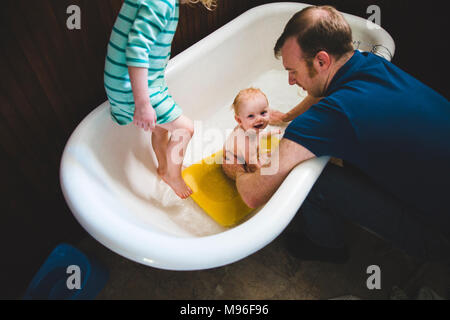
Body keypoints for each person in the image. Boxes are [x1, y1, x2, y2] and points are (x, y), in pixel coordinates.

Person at [223, 5, 450, 263]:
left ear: (321, 61)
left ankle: (325, 246)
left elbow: (254, 194)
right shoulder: (370, 63)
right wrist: (286, 117)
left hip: (440, 234)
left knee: (305, 176)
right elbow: (321, 92)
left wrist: (237, 171)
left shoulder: (328, 118)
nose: (290, 81)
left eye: (293, 71)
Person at [104, 0, 216, 199]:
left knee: (161, 127)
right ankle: (173, 176)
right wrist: (143, 104)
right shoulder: (161, 2)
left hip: (139, 79)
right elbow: (136, 49)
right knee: (185, 129)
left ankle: (164, 168)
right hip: (130, 85)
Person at [223, 88, 281, 173]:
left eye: (263, 113)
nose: (259, 119)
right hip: (232, 161)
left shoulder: (248, 127)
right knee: (246, 173)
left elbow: (257, 135)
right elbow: (253, 166)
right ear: (239, 120)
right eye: (251, 116)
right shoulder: (246, 143)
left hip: (242, 153)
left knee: (267, 155)